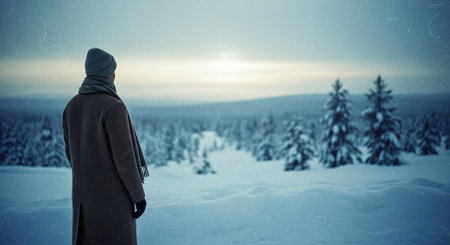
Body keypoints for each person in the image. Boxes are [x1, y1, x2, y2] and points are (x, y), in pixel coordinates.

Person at [62, 48, 149, 245]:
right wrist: (138, 197)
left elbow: (71, 155)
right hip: (112, 200)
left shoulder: (72, 106)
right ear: (109, 74)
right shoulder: (113, 106)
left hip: (83, 200)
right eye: (113, 71)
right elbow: (125, 159)